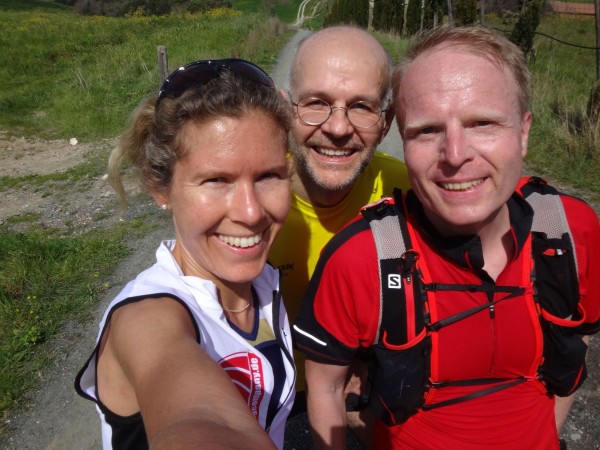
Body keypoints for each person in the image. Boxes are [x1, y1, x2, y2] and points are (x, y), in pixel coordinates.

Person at [293, 25, 600, 449]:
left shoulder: (571, 232)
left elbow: (574, 341)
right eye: (428, 130)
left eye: (482, 123)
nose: (456, 155)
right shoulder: (360, 256)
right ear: (401, 138)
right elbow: (326, 389)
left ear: (524, 131)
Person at [75, 59, 296, 450]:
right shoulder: (145, 318)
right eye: (216, 180)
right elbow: (197, 421)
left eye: (268, 176)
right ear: (160, 188)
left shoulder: (260, 281)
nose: (251, 213)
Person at [267, 25, 410, 445]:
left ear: (386, 124)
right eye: (316, 104)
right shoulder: (247, 204)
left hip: (370, 397)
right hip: (270, 401)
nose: (338, 128)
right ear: (285, 110)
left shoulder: (410, 194)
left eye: (362, 107)